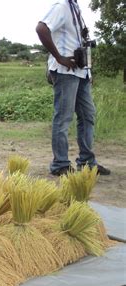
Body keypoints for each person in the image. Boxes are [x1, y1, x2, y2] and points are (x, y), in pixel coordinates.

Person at [36, 0, 110, 176]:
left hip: (80, 71)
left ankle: (87, 162)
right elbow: (41, 28)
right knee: (63, 117)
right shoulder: (61, 6)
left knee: (88, 115)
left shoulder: (75, 8)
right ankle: (60, 164)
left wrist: (88, 71)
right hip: (65, 70)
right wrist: (59, 57)